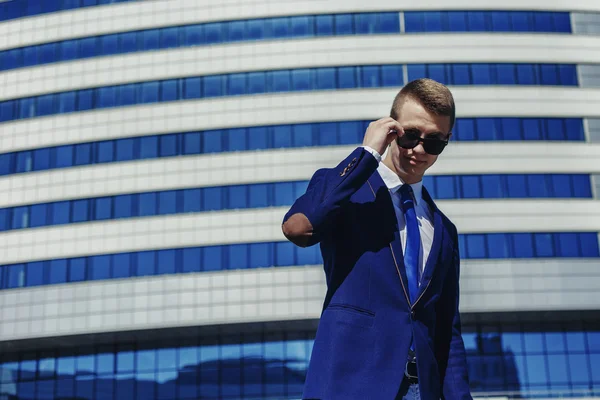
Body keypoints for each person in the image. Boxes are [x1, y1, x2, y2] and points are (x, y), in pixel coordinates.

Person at [281, 78, 473, 400]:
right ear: (391, 128)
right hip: (349, 384)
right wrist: (367, 152)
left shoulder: (444, 230)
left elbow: (446, 333)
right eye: (410, 135)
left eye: (434, 142)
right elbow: (298, 229)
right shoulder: (349, 190)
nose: (419, 150)